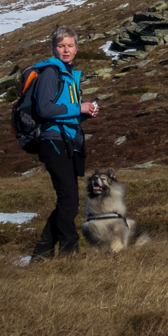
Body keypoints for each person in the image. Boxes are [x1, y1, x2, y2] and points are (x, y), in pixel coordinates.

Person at [30, 25, 99, 259]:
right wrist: (78, 107)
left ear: (77, 49)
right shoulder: (51, 72)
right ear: (53, 48)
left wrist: (83, 113)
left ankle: (41, 255)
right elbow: (46, 108)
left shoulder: (68, 75)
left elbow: (63, 112)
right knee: (68, 199)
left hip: (67, 141)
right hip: (53, 142)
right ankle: (70, 254)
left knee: (68, 200)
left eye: (70, 46)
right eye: (61, 46)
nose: (66, 50)